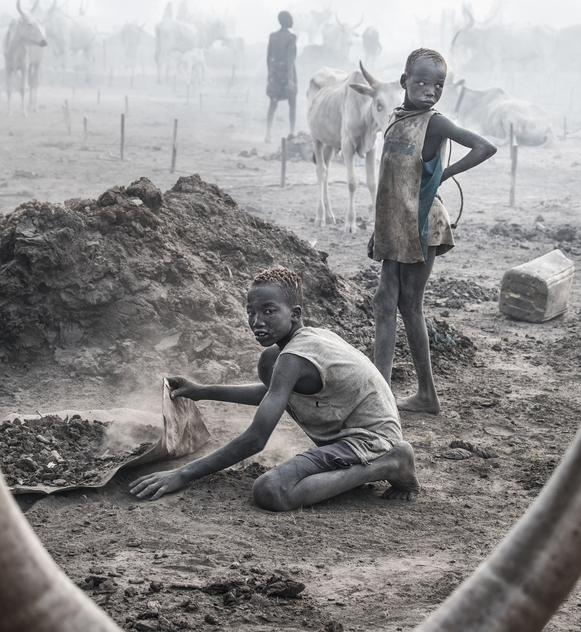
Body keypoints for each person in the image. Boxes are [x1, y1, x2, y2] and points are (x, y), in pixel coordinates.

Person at [130, 267, 420, 511]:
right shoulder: (299, 345)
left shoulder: (295, 357)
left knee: (271, 490)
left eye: (269, 311)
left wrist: (183, 474)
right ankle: (375, 460)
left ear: (294, 313)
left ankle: (389, 463)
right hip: (353, 432)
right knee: (268, 362)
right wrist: (202, 390)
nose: (257, 322)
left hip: (370, 439)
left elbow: (256, 439)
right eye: (251, 312)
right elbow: (272, 395)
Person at [369, 48, 497, 414]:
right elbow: (390, 181)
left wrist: (445, 173)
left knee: (409, 305)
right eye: (421, 82)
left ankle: (425, 395)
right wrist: (379, 230)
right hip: (395, 223)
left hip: (423, 224)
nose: (429, 90)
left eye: (437, 84)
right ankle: (380, 391)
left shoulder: (435, 123)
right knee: (383, 302)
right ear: (404, 82)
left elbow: (484, 147)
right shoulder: (396, 118)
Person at [265, 11, 297, 144]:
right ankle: (291, 131)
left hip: (274, 72)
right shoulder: (292, 37)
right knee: (292, 102)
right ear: (287, 21)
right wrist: (290, 78)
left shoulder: (272, 36)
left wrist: (270, 73)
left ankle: (268, 134)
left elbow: (268, 57)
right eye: (290, 18)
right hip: (287, 72)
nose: (292, 20)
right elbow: (290, 58)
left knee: (273, 103)